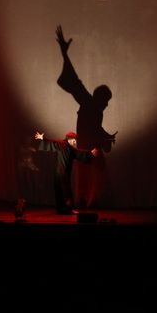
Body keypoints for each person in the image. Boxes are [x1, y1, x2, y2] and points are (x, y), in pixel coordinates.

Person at [55, 25, 117, 209]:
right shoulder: (89, 102)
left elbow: (96, 127)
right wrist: (64, 54)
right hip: (85, 150)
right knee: (85, 183)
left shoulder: (96, 109)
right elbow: (75, 81)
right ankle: (84, 205)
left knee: (94, 182)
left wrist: (106, 135)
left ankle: (88, 205)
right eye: (105, 101)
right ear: (99, 98)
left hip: (90, 150)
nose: (106, 105)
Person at [33, 130, 101, 215]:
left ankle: (63, 210)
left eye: (76, 140)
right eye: (74, 140)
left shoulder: (71, 149)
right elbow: (53, 142)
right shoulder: (61, 144)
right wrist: (43, 137)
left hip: (63, 174)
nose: (75, 142)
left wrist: (90, 153)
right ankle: (65, 210)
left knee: (64, 191)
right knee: (64, 192)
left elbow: (79, 153)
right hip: (60, 174)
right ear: (69, 139)